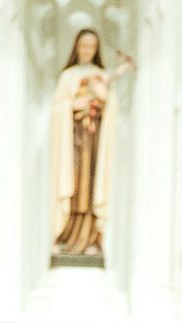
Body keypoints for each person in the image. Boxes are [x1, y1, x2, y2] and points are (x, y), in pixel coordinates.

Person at [49, 28, 134, 262]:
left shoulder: (99, 74)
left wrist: (104, 98)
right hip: (73, 141)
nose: (87, 50)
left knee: (92, 184)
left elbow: (111, 105)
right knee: (74, 184)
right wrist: (73, 104)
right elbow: (57, 108)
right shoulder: (67, 76)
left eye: (92, 46)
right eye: (83, 45)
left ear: (96, 50)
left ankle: (91, 237)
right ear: (76, 47)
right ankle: (67, 234)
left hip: (94, 140)